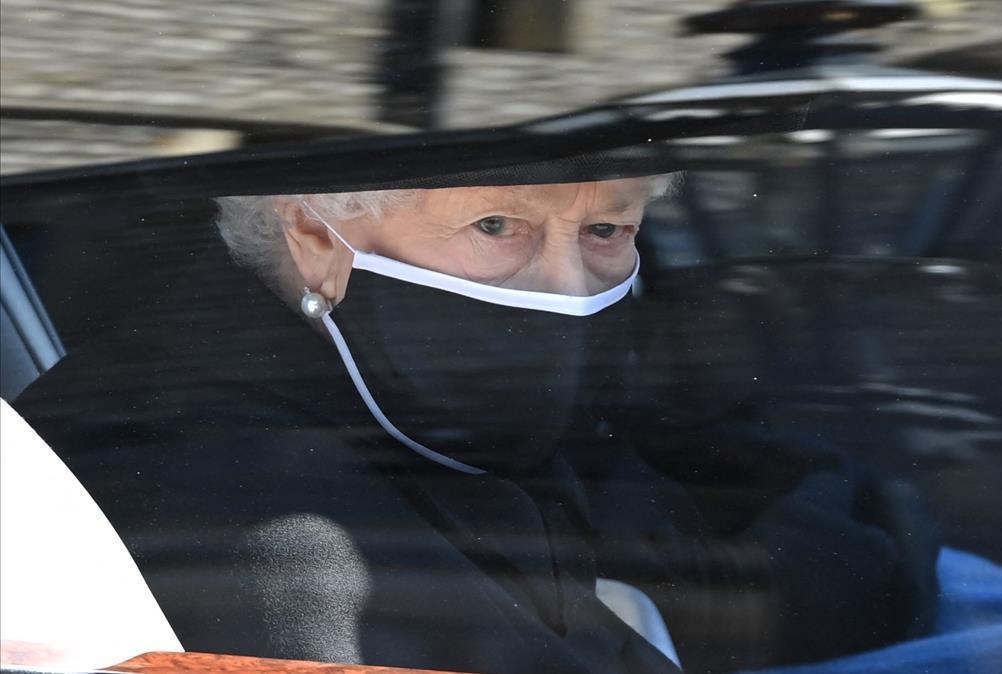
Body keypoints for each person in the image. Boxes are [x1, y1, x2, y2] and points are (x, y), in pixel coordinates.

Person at [14, 175, 939, 674]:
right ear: (310, 235)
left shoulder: (439, 395)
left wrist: (652, 608)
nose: (570, 289)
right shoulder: (209, 494)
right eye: (499, 224)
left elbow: (844, 522)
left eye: (607, 230)